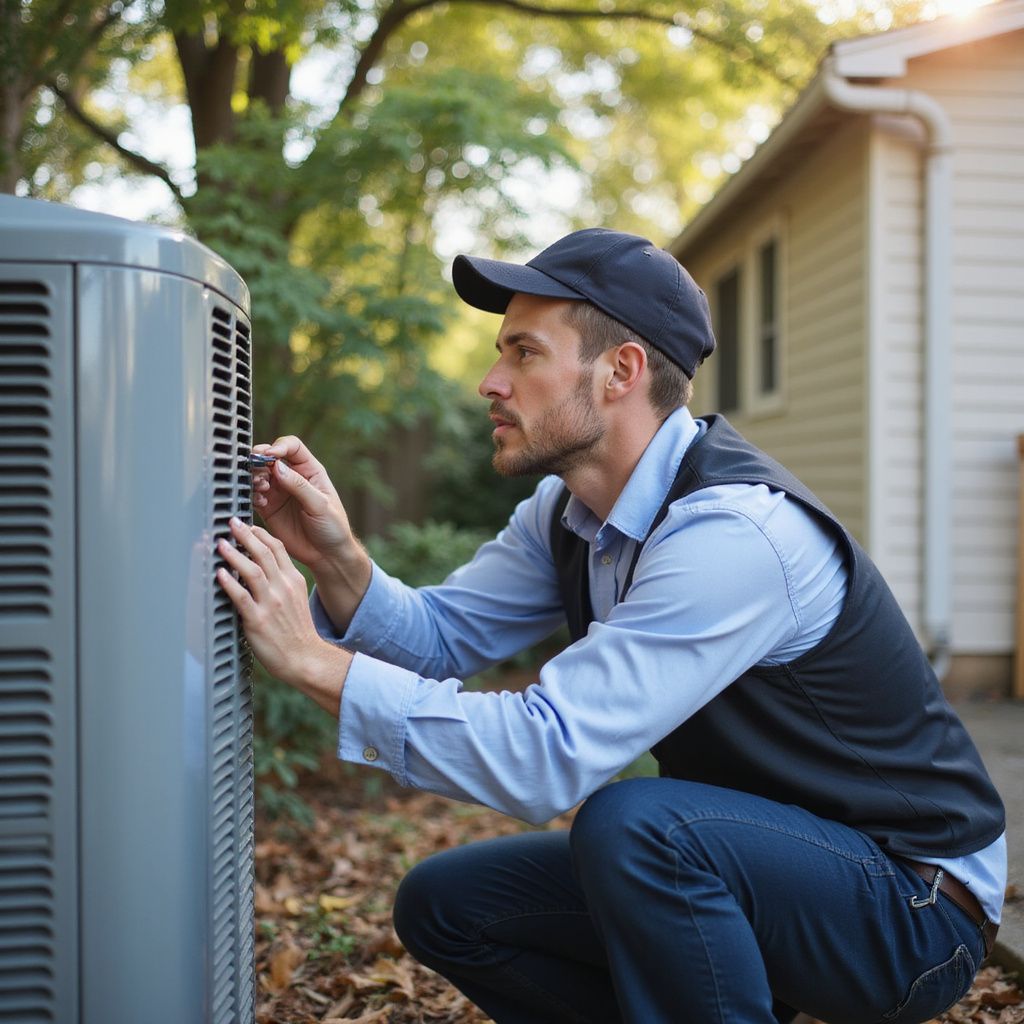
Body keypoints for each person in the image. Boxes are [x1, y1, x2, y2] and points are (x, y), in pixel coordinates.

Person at [216, 228, 1006, 1024]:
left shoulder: (734, 535)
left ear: (620, 371)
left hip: (910, 907)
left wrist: (313, 662)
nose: (491, 382)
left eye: (524, 353)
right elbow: (443, 640)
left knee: (638, 827)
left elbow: (544, 755)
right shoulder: (568, 513)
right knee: (448, 903)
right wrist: (339, 561)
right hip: (763, 871)